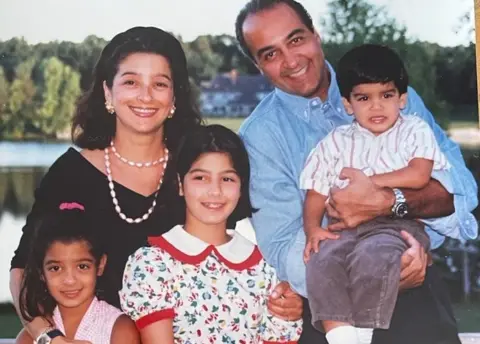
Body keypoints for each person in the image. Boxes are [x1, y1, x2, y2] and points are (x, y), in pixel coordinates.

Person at [10, 26, 302, 344]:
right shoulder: (71, 173)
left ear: (174, 95)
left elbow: (228, 265)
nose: (145, 96)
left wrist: (280, 301)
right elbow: (24, 269)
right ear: (108, 92)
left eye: (159, 84)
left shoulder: (196, 171)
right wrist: (47, 336)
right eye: (131, 82)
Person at [234, 1, 478, 343]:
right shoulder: (260, 136)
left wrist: (388, 202)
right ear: (258, 66)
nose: (290, 61)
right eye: (270, 54)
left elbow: (461, 192)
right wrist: (372, 273)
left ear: (316, 35)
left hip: (413, 284)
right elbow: (282, 247)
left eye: (295, 40)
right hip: (329, 308)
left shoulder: (389, 94)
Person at [300, 44, 460, 344]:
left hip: (397, 226)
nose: (376, 107)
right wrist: (312, 230)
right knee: (321, 263)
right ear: (348, 104)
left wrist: (370, 185)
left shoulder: (414, 130)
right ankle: (341, 336)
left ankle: (364, 329)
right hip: (345, 227)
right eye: (364, 98)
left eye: (386, 95)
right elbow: (316, 189)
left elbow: (419, 174)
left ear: (402, 99)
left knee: (373, 258)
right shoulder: (336, 141)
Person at [120, 124, 303, 343]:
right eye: (200, 178)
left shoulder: (264, 266)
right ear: (180, 184)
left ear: (241, 187)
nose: (215, 191)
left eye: (227, 179)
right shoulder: (153, 264)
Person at [15, 202, 140, 344]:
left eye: (82, 266)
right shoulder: (31, 337)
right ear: (41, 272)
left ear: (100, 265)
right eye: (56, 268)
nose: (70, 280)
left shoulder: (119, 328)